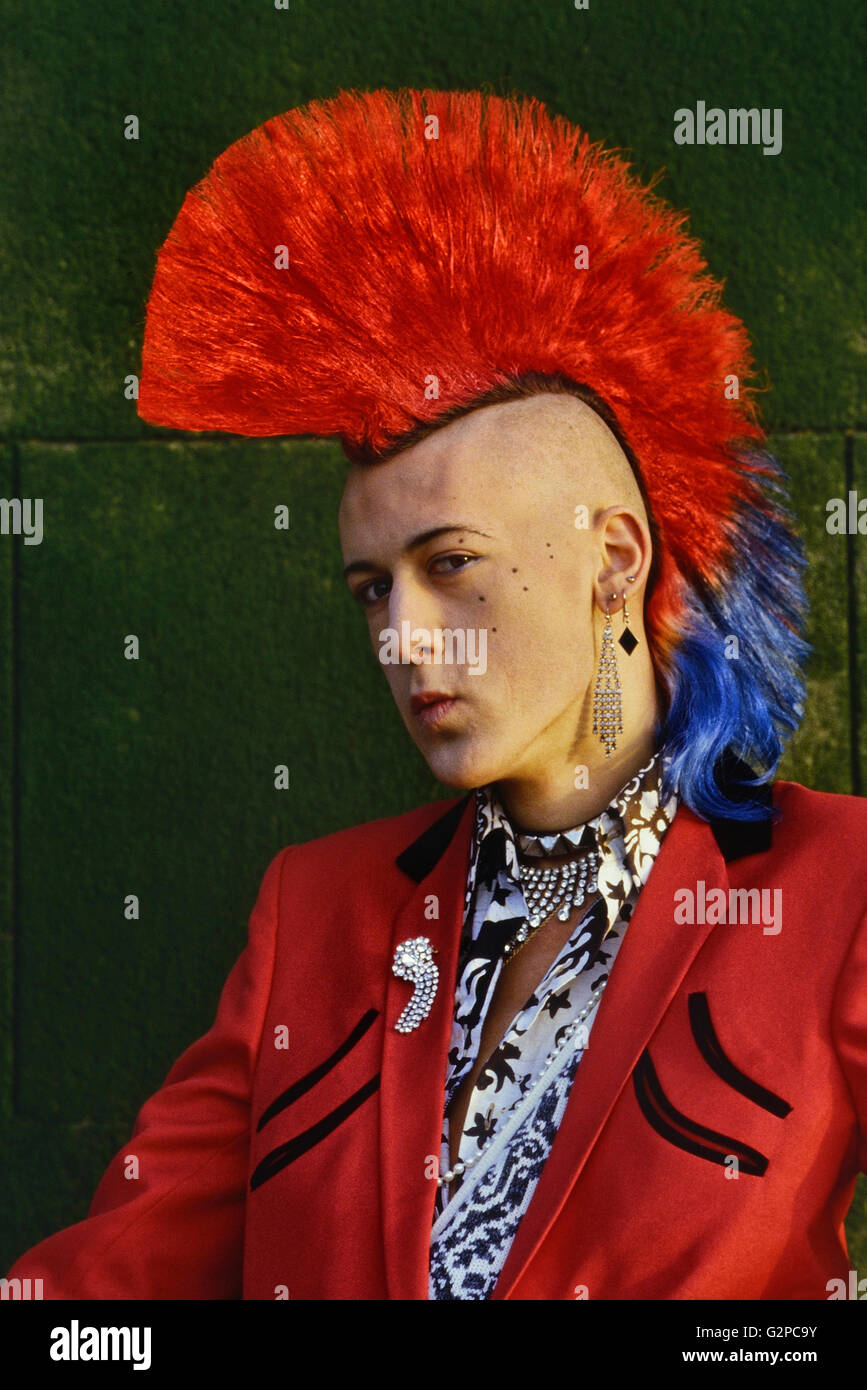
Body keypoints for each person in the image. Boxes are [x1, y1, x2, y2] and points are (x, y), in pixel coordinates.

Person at [5, 87, 866, 1301]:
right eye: (370, 590)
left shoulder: (839, 890)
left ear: (614, 561)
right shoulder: (314, 913)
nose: (403, 639)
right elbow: (98, 1303)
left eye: (450, 566)